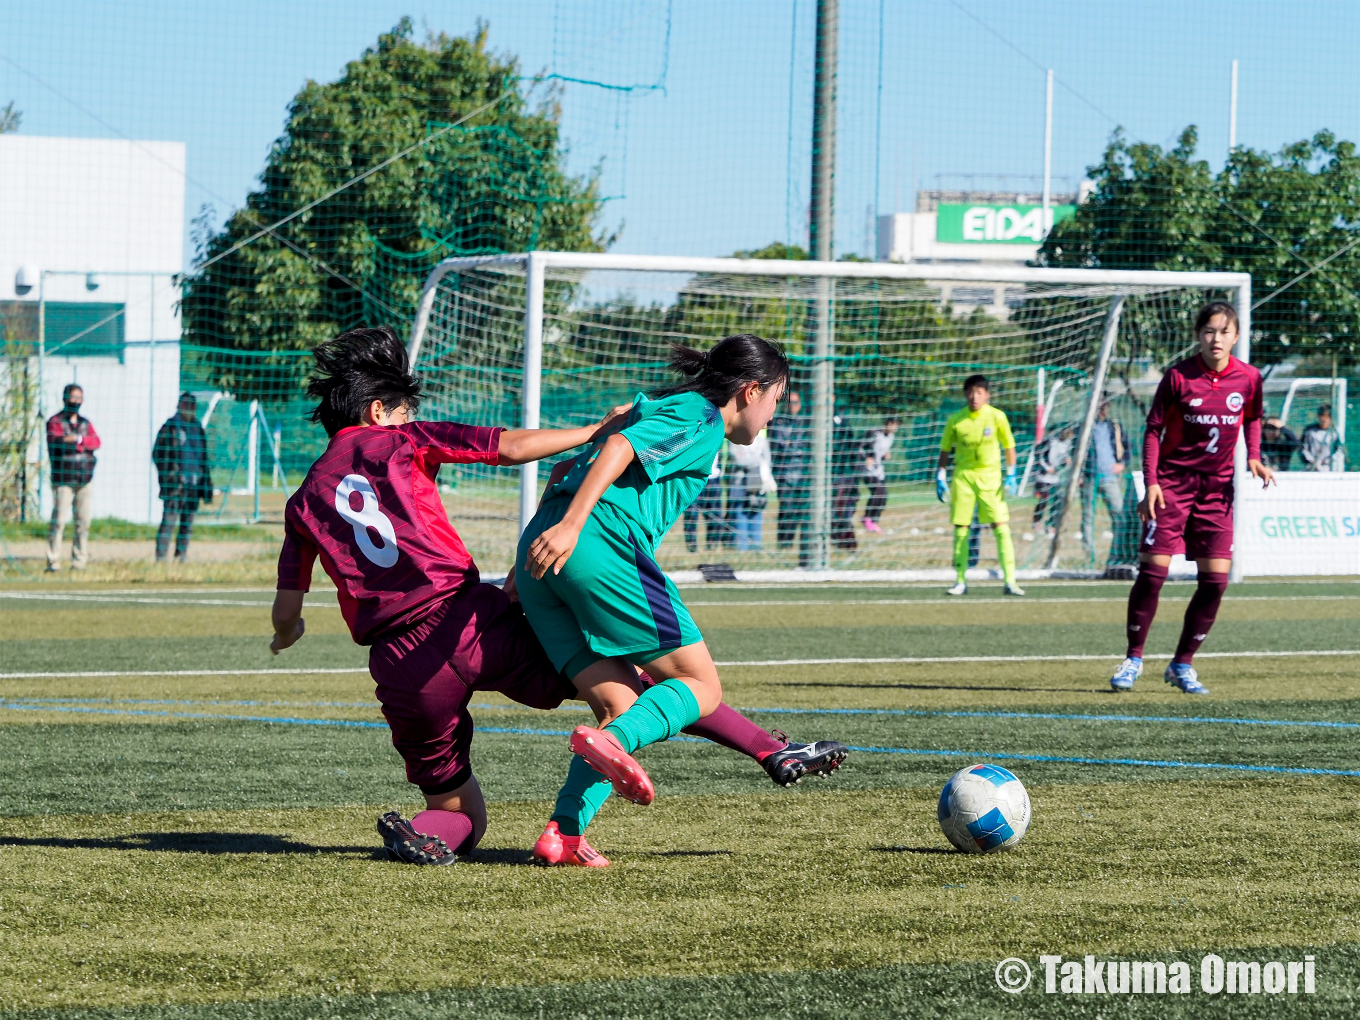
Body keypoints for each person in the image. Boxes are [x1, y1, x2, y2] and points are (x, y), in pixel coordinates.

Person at [269, 327, 841, 868]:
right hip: (470, 619)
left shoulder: (302, 502)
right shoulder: (401, 440)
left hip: (399, 663)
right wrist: (591, 444)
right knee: (663, 691)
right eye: (402, 409)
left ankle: (538, 832)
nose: (408, 419)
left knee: (465, 808)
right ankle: (686, 747)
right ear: (378, 413)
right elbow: (520, 448)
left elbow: (287, 605)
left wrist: (286, 631)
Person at [516, 334, 849, 866]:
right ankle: (618, 744)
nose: (772, 416)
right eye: (775, 401)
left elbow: (562, 471)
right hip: (596, 545)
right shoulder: (701, 417)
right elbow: (618, 448)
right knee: (700, 685)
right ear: (749, 391)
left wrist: (535, 560)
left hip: (542, 560)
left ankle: (564, 834)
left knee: (620, 703)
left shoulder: (659, 406)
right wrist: (575, 526)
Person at [1109, 301, 1274, 695]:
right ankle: (1133, 657)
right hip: (1171, 488)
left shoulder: (1249, 379)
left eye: (1224, 332)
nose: (1216, 339)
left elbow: (1252, 417)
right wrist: (1151, 482)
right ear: (1198, 335)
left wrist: (1253, 456)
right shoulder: (1178, 377)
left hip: (1217, 492)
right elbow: (1153, 431)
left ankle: (1182, 664)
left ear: (1236, 337)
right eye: (1209, 331)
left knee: (1216, 582)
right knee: (1153, 575)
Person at [936, 375, 1023, 597]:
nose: (974, 397)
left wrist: (1011, 474)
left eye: (979, 392)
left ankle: (1010, 581)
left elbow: (1009, 445)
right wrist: (940, 475)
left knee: (1001, 527)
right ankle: (960, 581)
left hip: (990, 478)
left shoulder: (997, 417)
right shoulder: (956, 419)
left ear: (987, 395)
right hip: (963, 478)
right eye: (970, 392)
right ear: (965, 394)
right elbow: (945, 449)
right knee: (961, 530)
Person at [152, 392, 214, 563]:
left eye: (192, 405)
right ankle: (161, 559)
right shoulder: (170, 427)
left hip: (194, 485)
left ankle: (181, 558)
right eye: (185, 404)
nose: (189, 408)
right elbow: (158, 453)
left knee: (187, 524)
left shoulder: (198, 428)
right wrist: (169, 476)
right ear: (179, 405)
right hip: (175, 485)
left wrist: (205, 480)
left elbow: (204, 457)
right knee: (169, 521)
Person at [45, 383, 100, 572]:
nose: (76, 401)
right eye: (73, 397)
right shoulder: (55, 421)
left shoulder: (85, 423)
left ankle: (79, 561)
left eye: (79, 398)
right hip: (63, 479)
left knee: (83, 522)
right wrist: (80, 444)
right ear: (65, 398)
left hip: (84, 479)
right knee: (59, 521)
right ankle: (53, 561)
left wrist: (78, 440)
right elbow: (58, 443)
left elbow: (96, 442)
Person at [768, 390, 811, 563]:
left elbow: (805, 445)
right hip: (784, 473)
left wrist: (791, 445)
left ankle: (801, 546)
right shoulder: (778, 422)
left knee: (802, 510)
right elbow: (779, 445)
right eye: (790, 403)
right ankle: (784, 543)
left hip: (803, 474)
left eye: (795, 402)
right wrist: (792, 446)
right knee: (786, 509)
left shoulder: (805, 424)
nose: (792, 406)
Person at [1081, 402, 1127, 564]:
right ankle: (1089, 554)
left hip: (1110, 478)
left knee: (1119, 514)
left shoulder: (1114, 427)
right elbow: (1074, 449)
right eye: (1099, 407)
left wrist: (1122, 464)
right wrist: (1079, 474)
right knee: (1088, 516)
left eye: (1104, 407)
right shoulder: (1084, 427)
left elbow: (1127, 448)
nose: (1102, 411)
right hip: (1089, 477)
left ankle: (1117, 552)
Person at [727, 428, 776, 551]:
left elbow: (768, 459)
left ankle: (756, 547)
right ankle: (741, 547)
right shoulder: (735, 439)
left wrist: (752, 461)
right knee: (740, 513)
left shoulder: (761, 441)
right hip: (739, 482)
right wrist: (756, 461)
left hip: (757, 482)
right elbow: (738, 459)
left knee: (756, 511)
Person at [859, 416, 900, 533]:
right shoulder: (874, 433)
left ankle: (874, 521)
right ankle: (867, 518)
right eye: (895, 424)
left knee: (883, 495)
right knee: (877, 492)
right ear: (888, 423)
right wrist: (866, 457)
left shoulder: (891, 437)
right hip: (867, 470)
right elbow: (860, 447)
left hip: (878, 470)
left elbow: (881, 450)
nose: (896, 427)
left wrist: (885, 454)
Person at [1032, 425, 1074, 537]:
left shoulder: (1067, 444)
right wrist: (1046, 468)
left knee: (1057, 501)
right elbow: (1038, 456)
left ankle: (1051, 526)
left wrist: (1066, 461)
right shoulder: (1049, 442)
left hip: (1055, 477)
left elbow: (1064, 458)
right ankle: (1037, 522)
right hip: (1043, 477)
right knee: (1044, 500)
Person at [682, 451, 724, 552]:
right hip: (694, 477)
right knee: (691, 514)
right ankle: (691, 547)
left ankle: (712, 547)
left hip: (713, 478)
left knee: (714, 515)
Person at [1300, 406, 1341, 472]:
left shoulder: (1334, 433)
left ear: (1330, 418)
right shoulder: (1310, 431)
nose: (1324, 419)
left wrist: (1327, 461)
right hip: (1311, 468)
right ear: (1318, 416)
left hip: (1328, 468)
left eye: (1327, 416)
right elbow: (1302, 448)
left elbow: (1338, 450)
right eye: (1322, 416)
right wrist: (1312, 461)